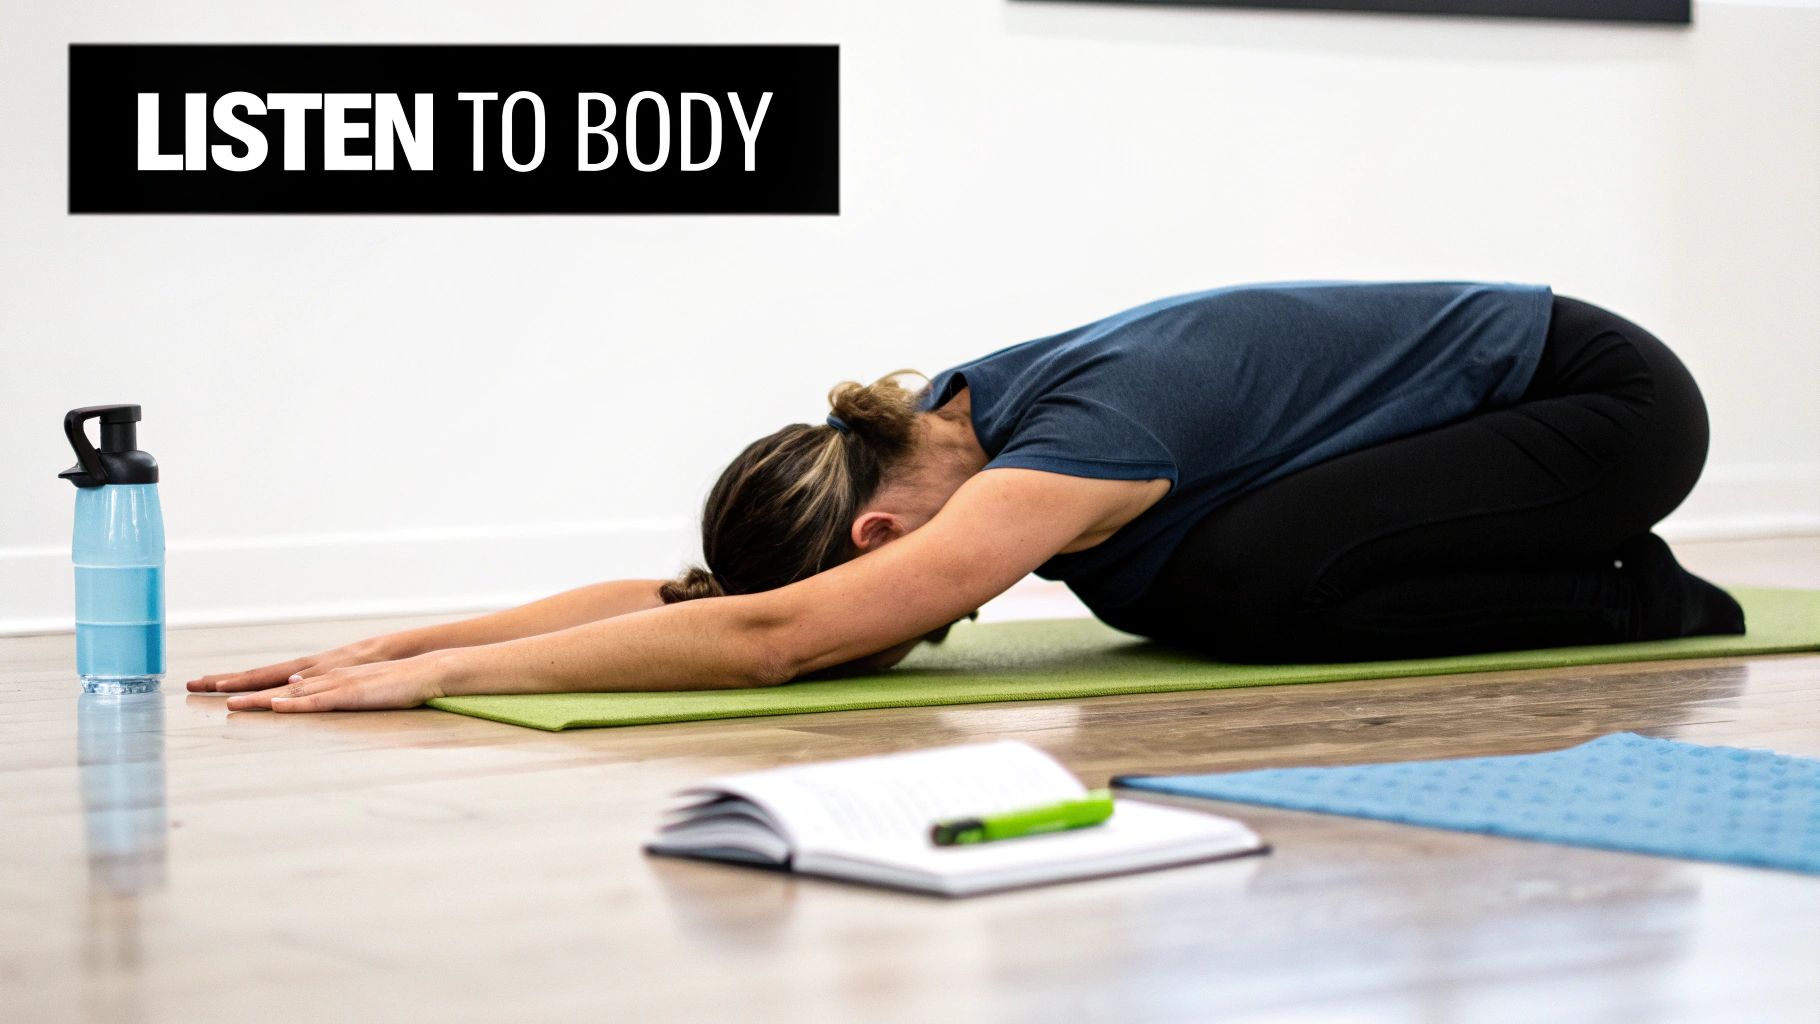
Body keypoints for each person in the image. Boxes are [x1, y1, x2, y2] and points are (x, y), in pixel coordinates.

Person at [190, 280, 1744, 713]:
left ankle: (1635, 593)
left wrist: (452, 686)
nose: (894, 627)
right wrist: (405, 645)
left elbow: (770, 640)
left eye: (875, 598)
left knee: (1249, 585)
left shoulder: (1059, 444)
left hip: (1592, 407)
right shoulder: (946, 433)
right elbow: (706, 607)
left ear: (874, 536)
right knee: (1183, 585)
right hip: (1470, 429)